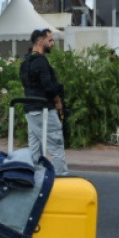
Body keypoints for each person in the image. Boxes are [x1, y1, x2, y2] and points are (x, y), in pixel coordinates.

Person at [19, 28, 68, 175]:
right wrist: (58, 101)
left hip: (30, 110)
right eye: (50, 40)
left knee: (35, 148)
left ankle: (35, 177)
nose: (52, 44)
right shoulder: (41, 61)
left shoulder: (25, 61)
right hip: (44, 109)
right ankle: (61, 178)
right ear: (41, 42)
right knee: (56, 145)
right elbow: (48, 86)